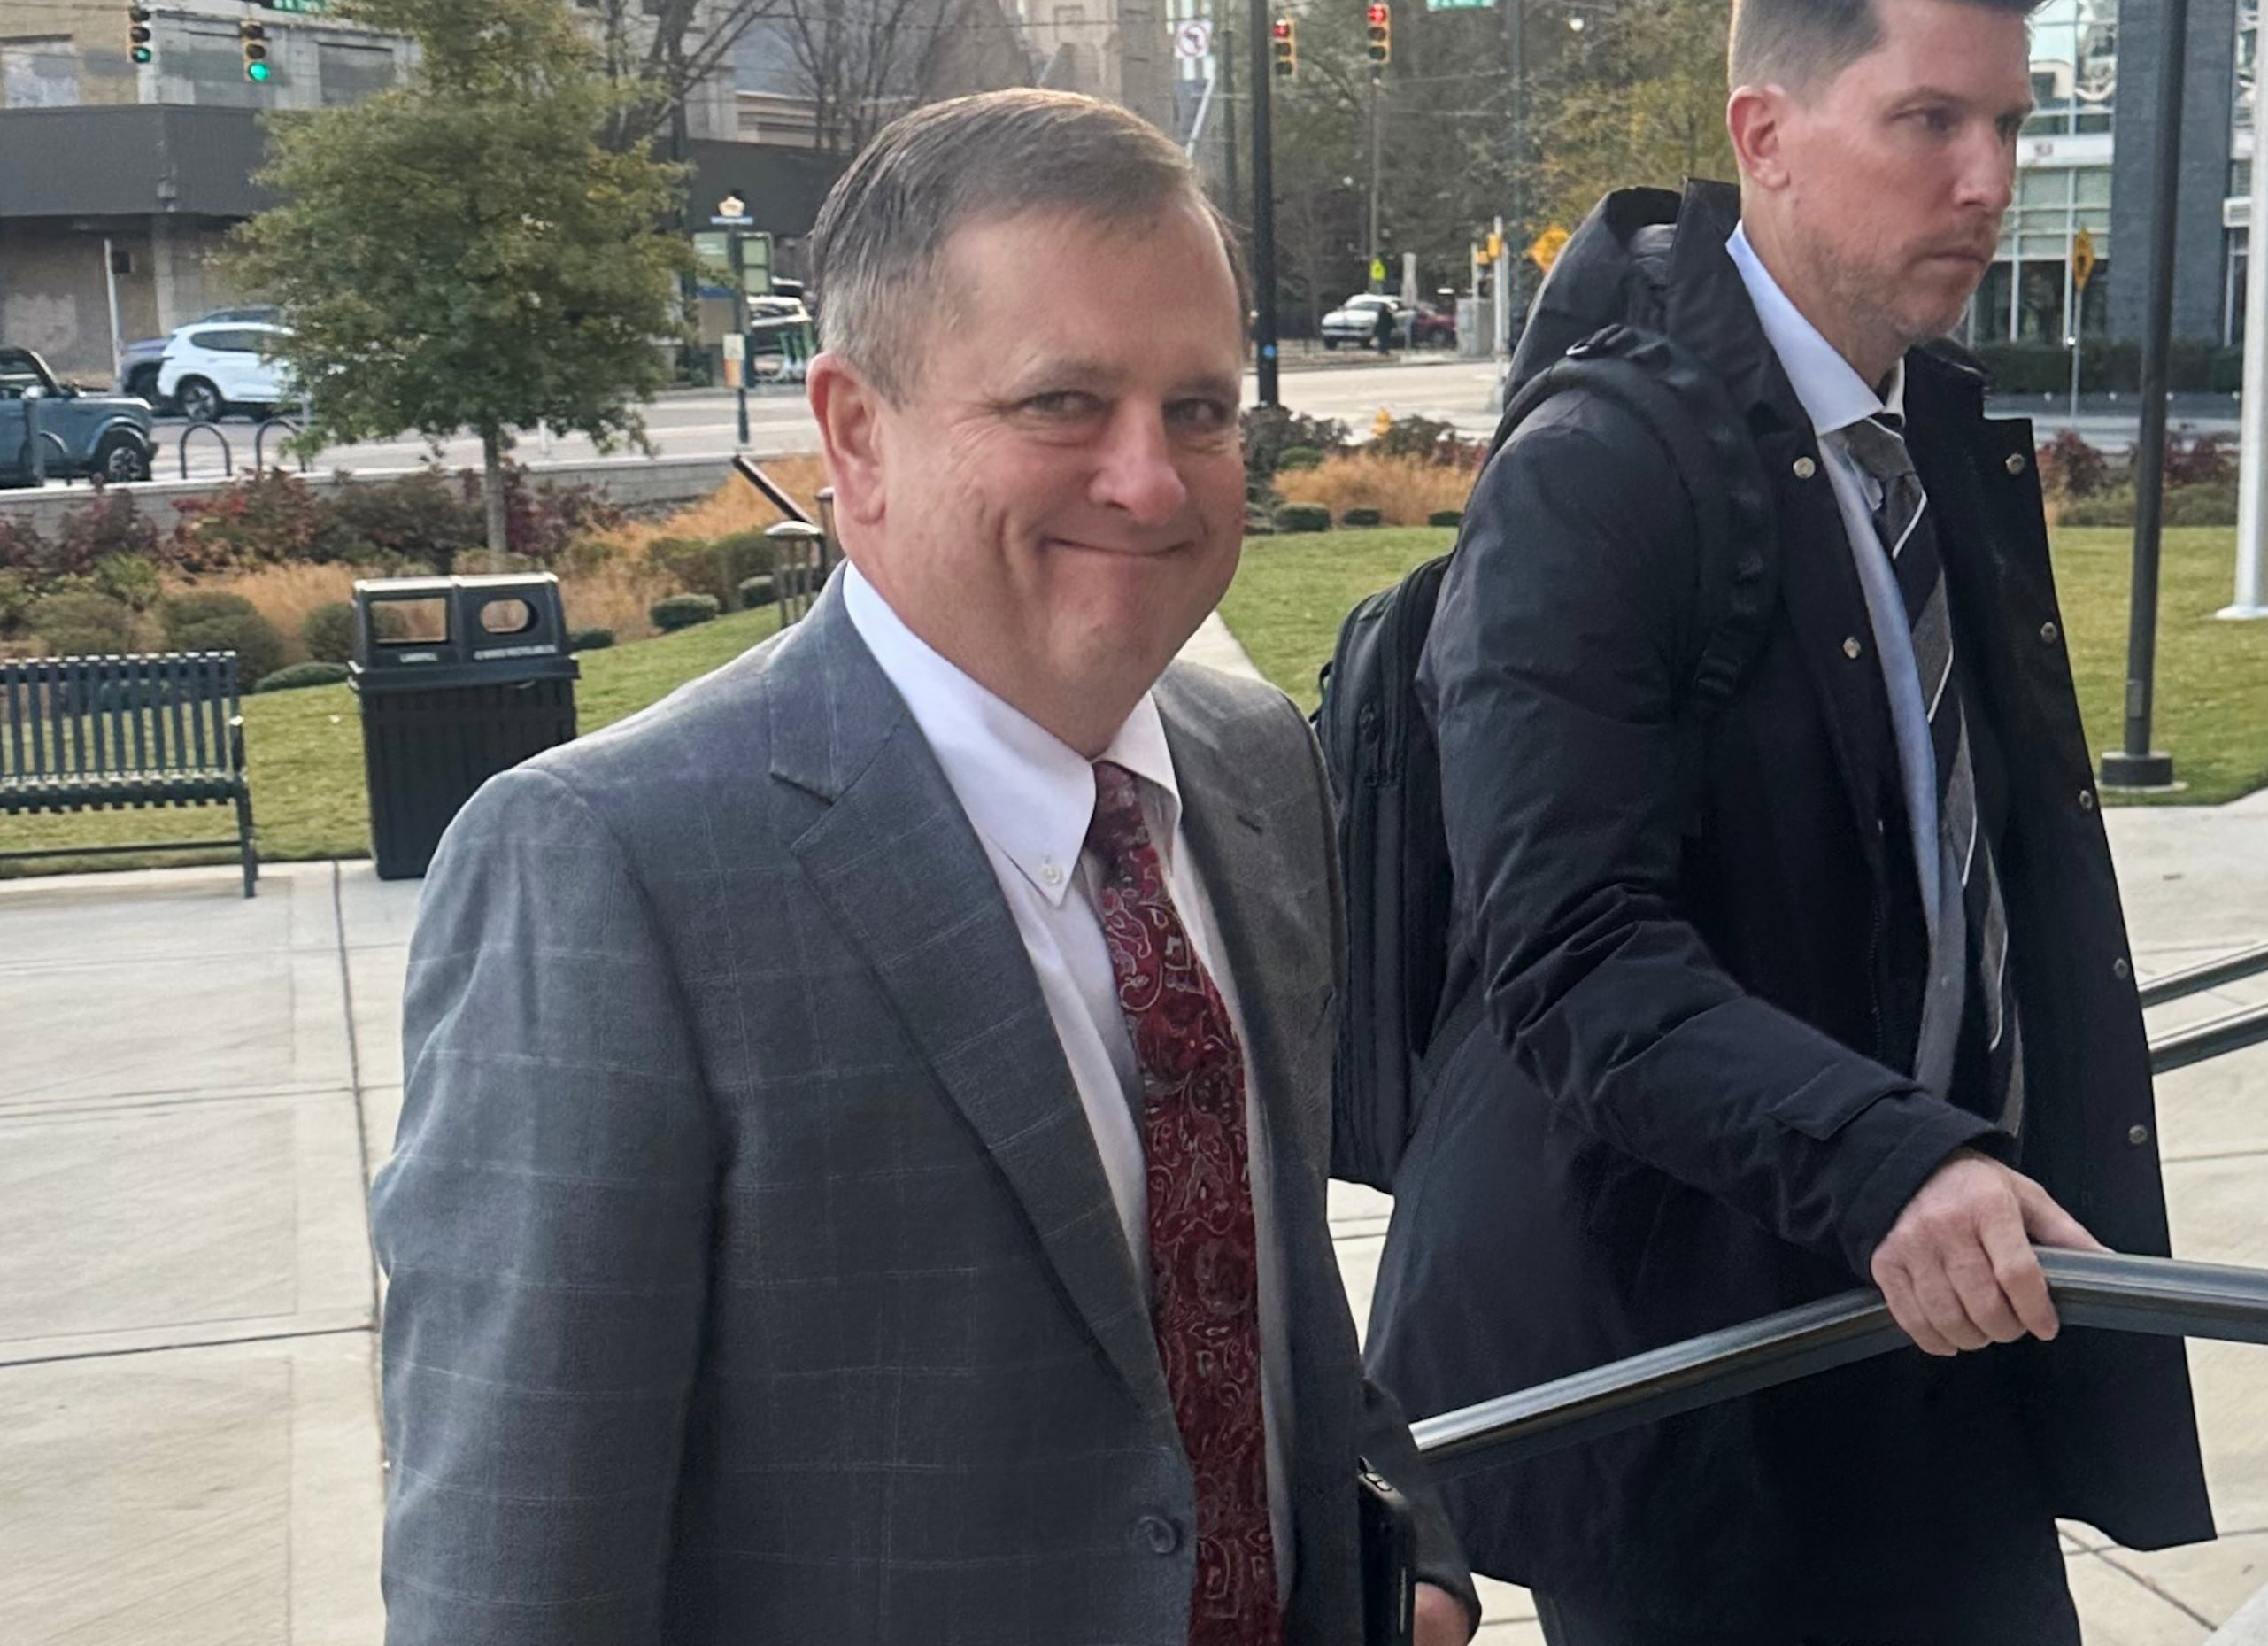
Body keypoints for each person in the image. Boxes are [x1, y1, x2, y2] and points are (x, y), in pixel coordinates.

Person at [371, 89, 1476, 1646]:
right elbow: (516, 1571)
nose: (1153, 480)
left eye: (1204, 409)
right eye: (1062, 406)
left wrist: (1395, 1542)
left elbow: (1248, 1272)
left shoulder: (1249, 769)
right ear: (854, 434)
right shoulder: (611, 873)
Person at [1367, 0, 2208, 1646]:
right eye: (1929, 121)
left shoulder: (1932, 433)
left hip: (1924, 1325)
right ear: (1767, 134)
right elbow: (1571, 954)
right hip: (1697, 1362)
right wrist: (1889, 1154)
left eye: (2008, 125)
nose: (1988, 179)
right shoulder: (1599, 471)